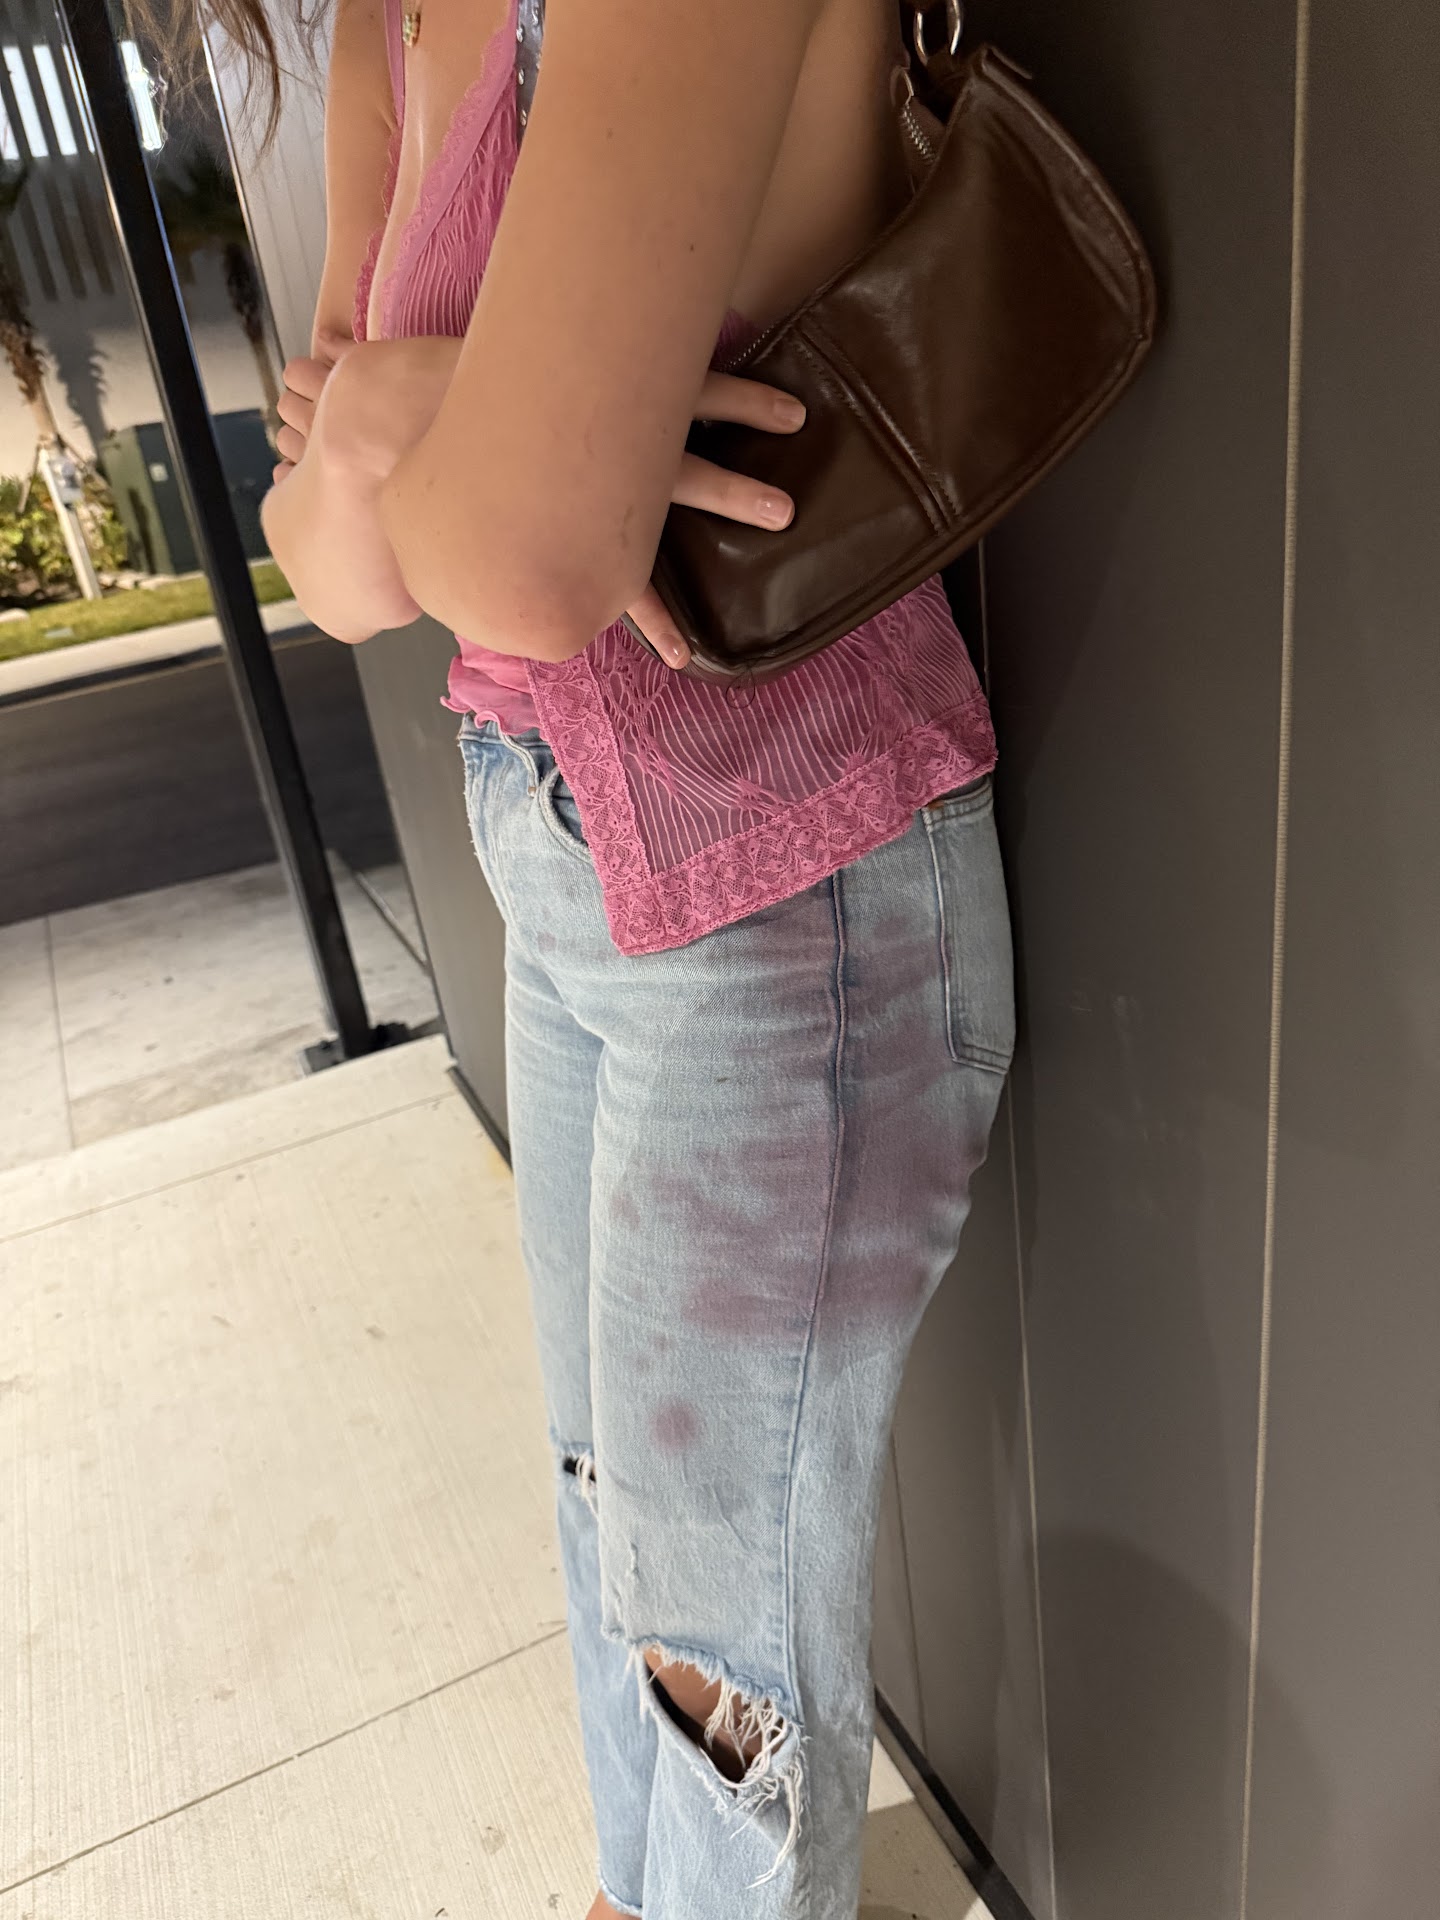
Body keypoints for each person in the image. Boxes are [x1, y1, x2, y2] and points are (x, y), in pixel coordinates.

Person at [194, 0, 1015, 1911]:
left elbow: (516, 556)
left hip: (781, 878)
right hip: (555, 849)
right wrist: (427, 437)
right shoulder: (381, 32)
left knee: (720, 1645)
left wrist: (396, 424)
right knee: (606, 1510)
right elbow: (336, 570)